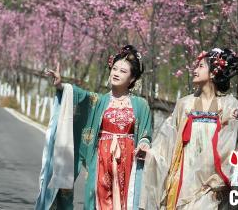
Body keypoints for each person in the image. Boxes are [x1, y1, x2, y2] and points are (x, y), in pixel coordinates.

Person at [35, 45, 152, 210]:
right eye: (115, 68)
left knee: (126, 201)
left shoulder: (141, 105)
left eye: (123, 71)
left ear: (132, 79)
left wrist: (144, 143)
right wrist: (62, 86)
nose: (116, 73)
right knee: (98, 201)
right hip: (101, 160)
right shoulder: (98, 101)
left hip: (128, 163)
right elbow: (80, 96)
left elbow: (146, 134)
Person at [143, 47, 238, 209]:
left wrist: (211, 178)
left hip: (209, 182)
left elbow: (226, 146)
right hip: (182, 175)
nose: (195, 70)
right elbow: (167, 139)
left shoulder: (229, 105)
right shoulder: (184, 104)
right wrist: (150, 154)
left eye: (201, 66)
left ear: (213, 73)